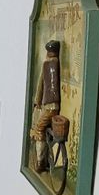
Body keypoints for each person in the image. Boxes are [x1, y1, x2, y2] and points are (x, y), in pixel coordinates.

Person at [30, 40, 61, 172]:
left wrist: (38, 101)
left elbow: (41, 85)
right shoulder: (55, 62)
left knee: (39, 129)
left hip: (49, 106)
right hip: (52, 104)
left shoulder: (48, 64)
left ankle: (40, 162)